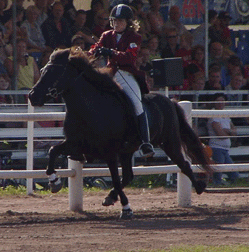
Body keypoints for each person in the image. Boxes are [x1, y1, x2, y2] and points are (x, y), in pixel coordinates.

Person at [88, 4, 155, 157]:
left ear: (128, 22)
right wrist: (94, 51)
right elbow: (95, 47)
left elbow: (129, 56)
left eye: (120, 21)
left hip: (126, 74)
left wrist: (110, 52)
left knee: (137, 104)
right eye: (114, 21)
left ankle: (146, 141)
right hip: (109, 73)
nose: (116, 24)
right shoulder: (106, 35)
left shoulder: (135, 37)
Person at [207, 93, 239, 185]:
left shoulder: (226, 114)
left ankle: (226, 185)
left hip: (225, 149)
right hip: (216, 147)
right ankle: (217, 186)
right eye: (218, 101)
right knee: (218, 173)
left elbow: (234, 131)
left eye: (222, 101)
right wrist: (230, 132)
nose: (221, 103)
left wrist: (227, 131)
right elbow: (220, 134)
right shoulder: (212, 115)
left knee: (234, 174)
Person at [4, 38, 40, 103]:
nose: (21, 49)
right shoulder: (9, 60)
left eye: (23, 47)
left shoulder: (31, 60)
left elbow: (37, 77)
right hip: (18, 91)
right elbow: (13, 74)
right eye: (19, 47)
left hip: (30, 90)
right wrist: (19, 61)